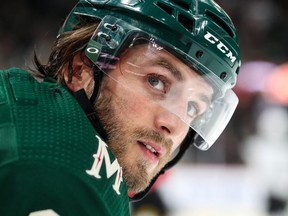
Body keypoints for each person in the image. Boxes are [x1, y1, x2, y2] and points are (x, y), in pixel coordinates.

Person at [0, 0, 241, 215]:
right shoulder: (62, 169)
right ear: (81, 69)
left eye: (192, 108)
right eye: (156, 81)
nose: (175, 124)